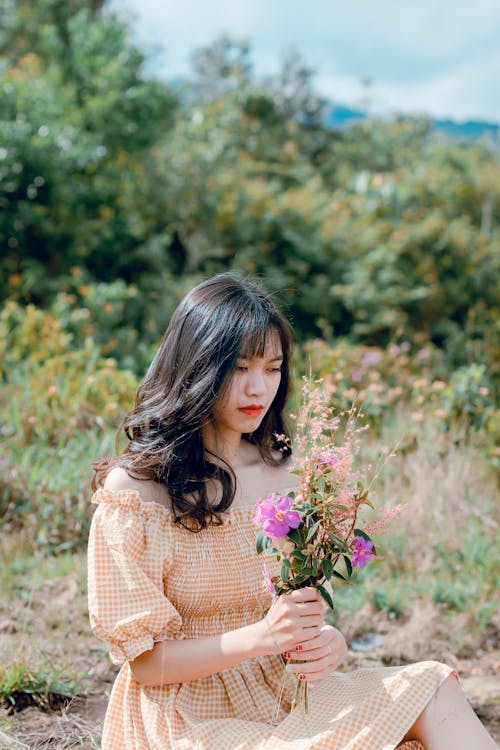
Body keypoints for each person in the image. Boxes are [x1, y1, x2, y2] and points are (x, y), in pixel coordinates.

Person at [87, 273, 497, 750]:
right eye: (240, 368)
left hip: (281, 695)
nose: (258, 388)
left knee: (432, 686)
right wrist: (263, 637)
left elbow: (297, 613)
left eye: (273, 367)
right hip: (184, 716)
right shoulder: (136, 493)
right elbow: (143, 664)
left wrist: (328, 643)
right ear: (197, 367)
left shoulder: (288, 477)